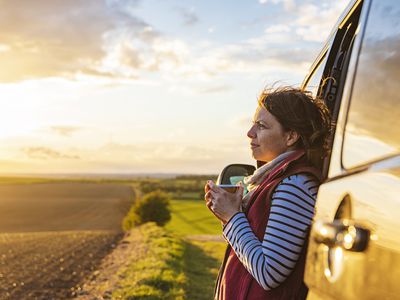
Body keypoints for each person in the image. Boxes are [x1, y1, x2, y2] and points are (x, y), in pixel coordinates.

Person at [204, 86, 331, 300]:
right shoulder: (276, 180)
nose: (250, 132)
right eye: (253, 123)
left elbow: (269, 273)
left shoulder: (294, 185)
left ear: (291, 136)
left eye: (261, 126)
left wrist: (232, 217)